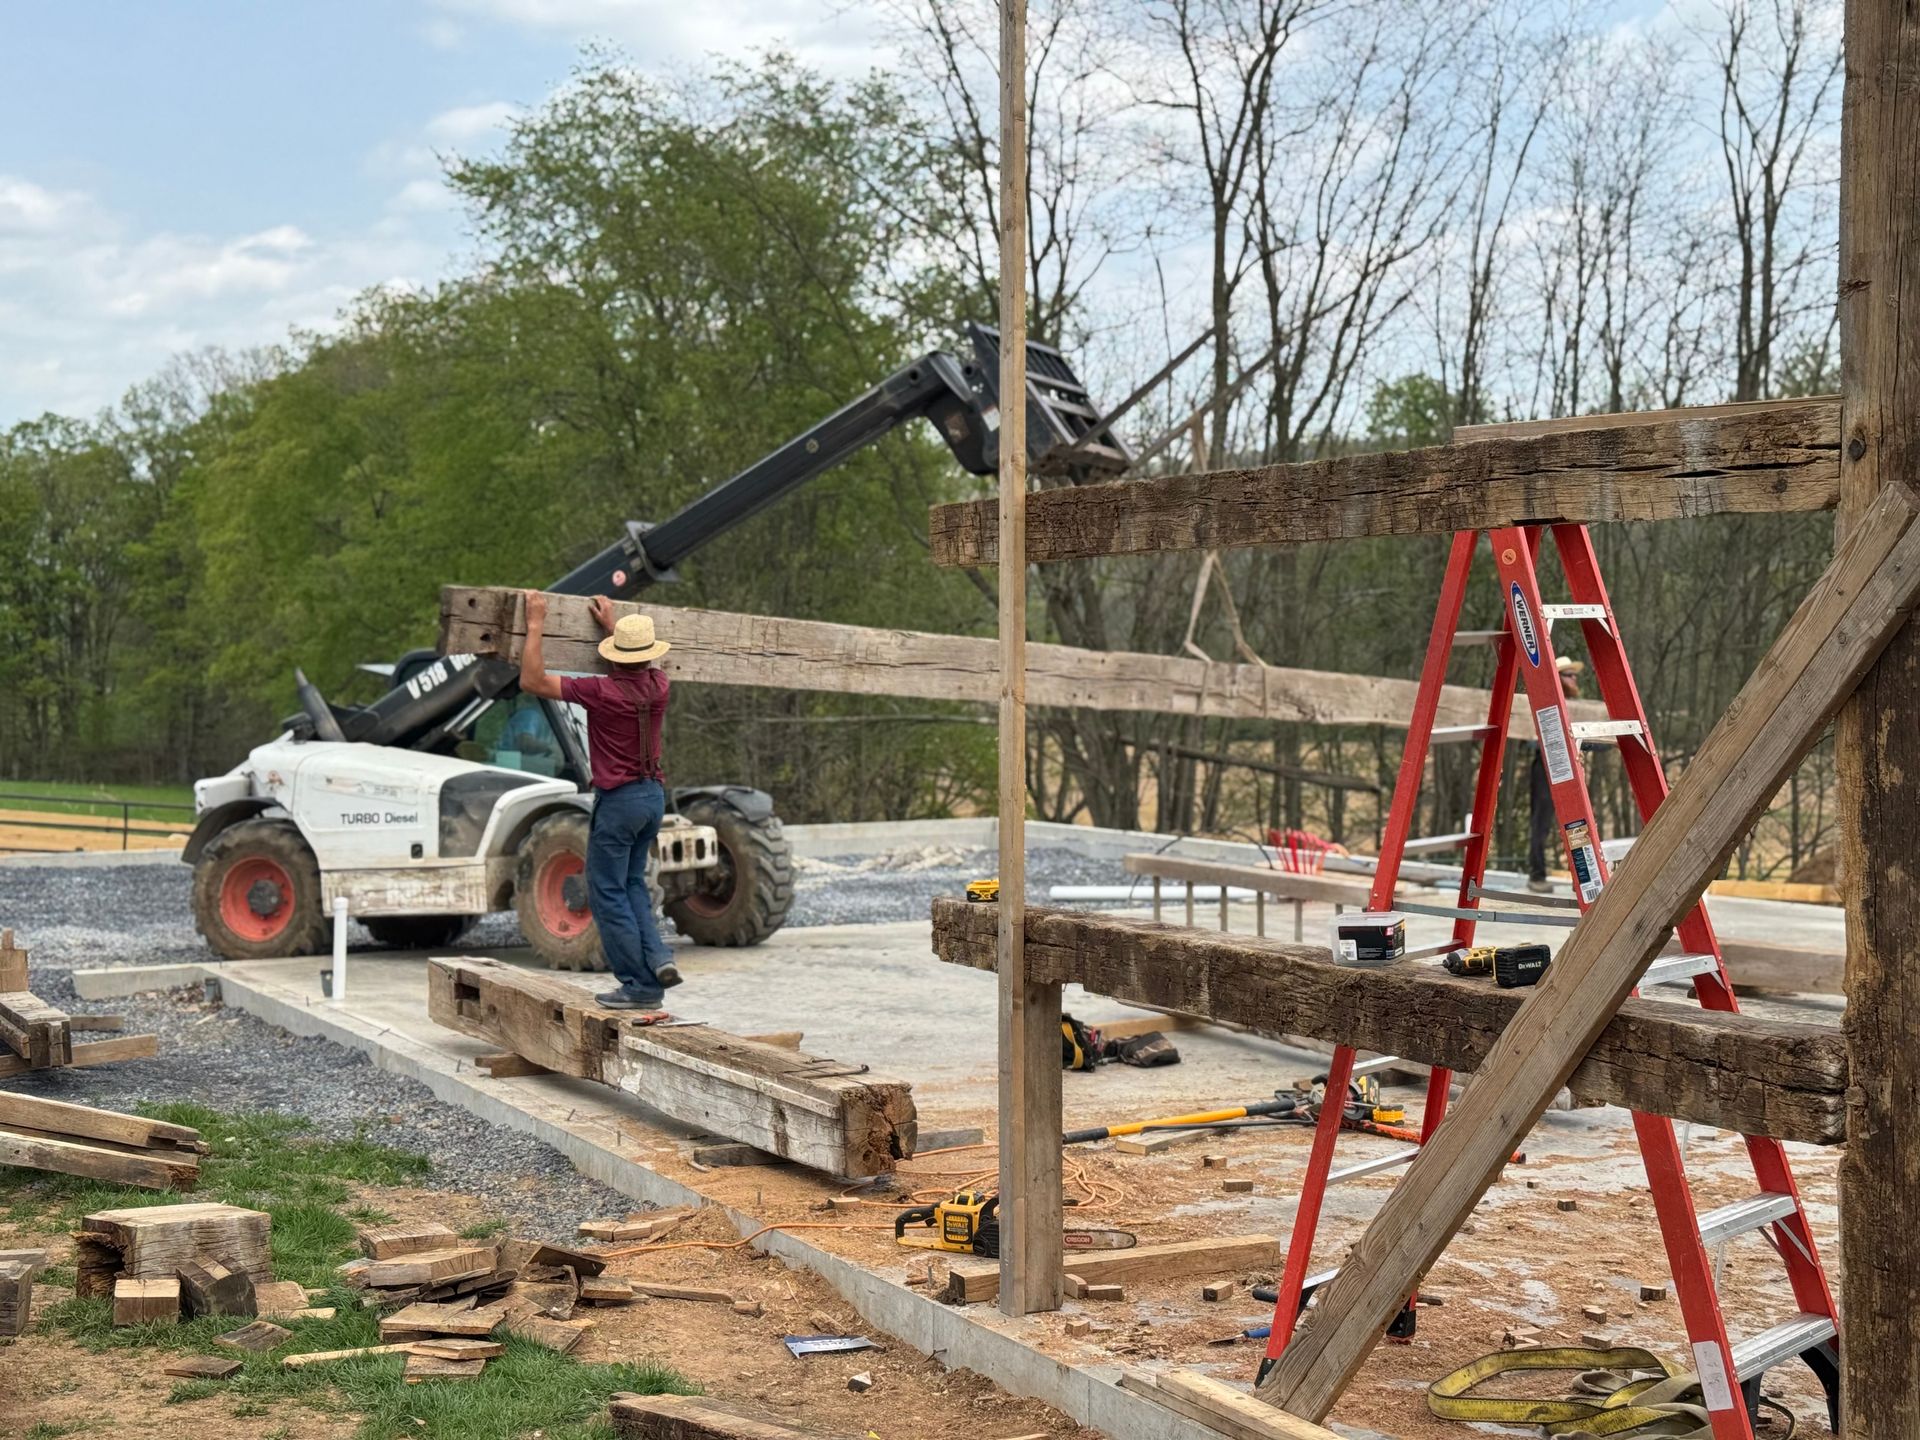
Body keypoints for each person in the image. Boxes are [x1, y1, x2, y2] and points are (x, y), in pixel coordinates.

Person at [518, 590, 682, 1009]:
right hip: (652, 798)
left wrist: (535, 622)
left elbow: (532, 681)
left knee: (606, 890)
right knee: (633, 885)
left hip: (620, 802)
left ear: (618, 655)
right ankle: (658, 958)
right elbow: (637, 665)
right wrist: (615, 628)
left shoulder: (602, 692)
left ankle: (639, 985)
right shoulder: (659, 686)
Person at [1527, 655, 1585, 893]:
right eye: (1568, 675)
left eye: (1574, 675)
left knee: (1578, 824)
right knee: (1541, 824)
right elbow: (1531, 741)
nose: (1573, 679)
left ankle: (1581, 878)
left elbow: (1585, 740)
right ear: (1557, 679)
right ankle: (1536, 875)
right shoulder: (1543, 703)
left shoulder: (1577, 707)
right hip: (1546, 769)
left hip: (1572, 767)